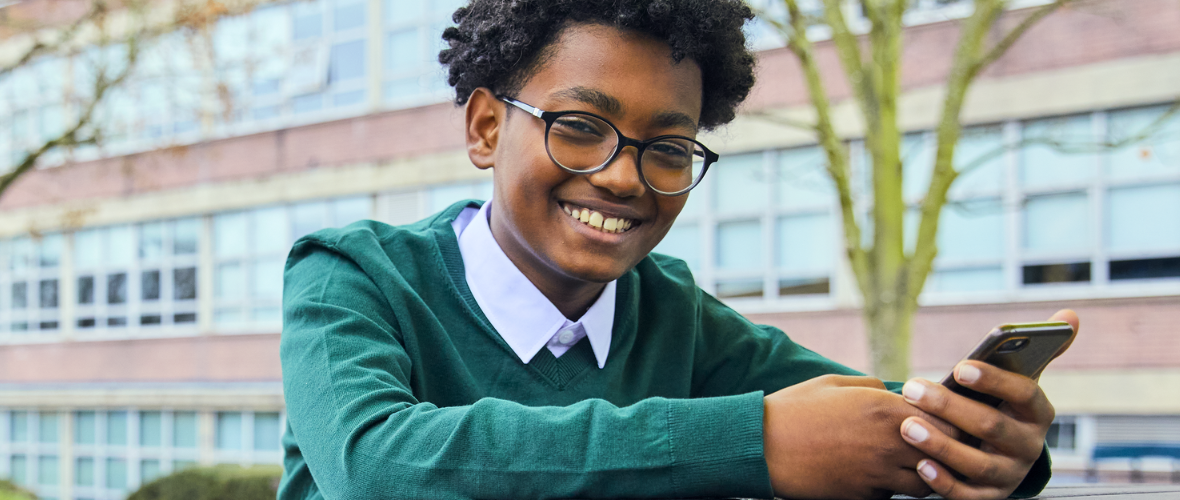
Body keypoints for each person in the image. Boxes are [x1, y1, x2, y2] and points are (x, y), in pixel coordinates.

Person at [277, 2, 1060, 499]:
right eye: (579, 128)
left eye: (670, 149)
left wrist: (991, 440)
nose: (623, 177)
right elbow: (374, 463)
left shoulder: (671, 312)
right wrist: (753, 442)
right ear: (487, 128)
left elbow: (857, 417)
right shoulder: (353, 276)